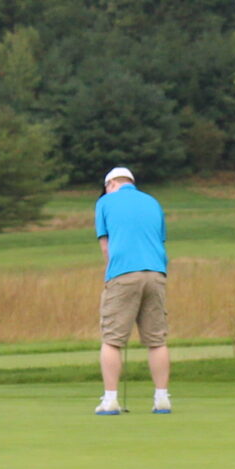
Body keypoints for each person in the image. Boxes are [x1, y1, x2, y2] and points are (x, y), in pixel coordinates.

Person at [92, 165, 172, 416]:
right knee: (156, 340)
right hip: (156, 273)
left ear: (111, 184)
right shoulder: (153, 202)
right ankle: (162, 398)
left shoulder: (105, 202)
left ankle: (110, 399)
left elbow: (106, 246)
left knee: (112, 339)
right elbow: (159, 240)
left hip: (123, 272)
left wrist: (109, 275)